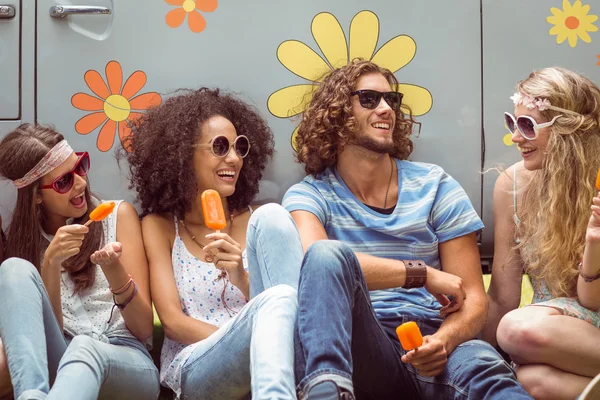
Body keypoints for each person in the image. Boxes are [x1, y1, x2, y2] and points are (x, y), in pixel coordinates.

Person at [282, 59, 532, 399]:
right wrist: (421, 274)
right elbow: (317, 263)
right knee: (326, 254)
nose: (386, 109)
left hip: (436, 338)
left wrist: (445, 340)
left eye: (392, 100)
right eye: (369, 99)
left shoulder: (435, 185)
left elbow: (473, 297)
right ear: (337, 114)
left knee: (485, 368)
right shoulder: (309, 196)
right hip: (364, 347)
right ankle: (326, 389)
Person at [124, 88, 301, 399]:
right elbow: (174, 323)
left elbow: (287, 306)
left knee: (275, 217)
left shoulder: (262, 219)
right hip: (200, 362)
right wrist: (251, 343)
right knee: (276, 330)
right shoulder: (161, 227)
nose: (233, 158)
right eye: (220, 146)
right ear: (181, 154)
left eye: (239, 147)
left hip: (271, 360)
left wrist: (242, 279)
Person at [0, 124, 160, 400]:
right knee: (13, 268)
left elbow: (145, 329)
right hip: (61, 354)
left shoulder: (118, 216)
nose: (81, 183)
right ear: (37, 195)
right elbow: (45, 335)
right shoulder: (23, 244)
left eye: (81, 166)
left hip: (125, 359)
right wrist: (50, 263)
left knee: (84, 347)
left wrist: (114, 271)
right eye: (63, 182)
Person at [483, 67, 600, 399]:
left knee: (517, 330)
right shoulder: (512, 185)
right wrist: (461, 343)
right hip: (551, 338)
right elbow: (504, 297)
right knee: (530, 381)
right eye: (512, 122)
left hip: (572, 329)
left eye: (526, 126)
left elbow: (593, 299)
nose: (515, 137)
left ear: (566, 131)